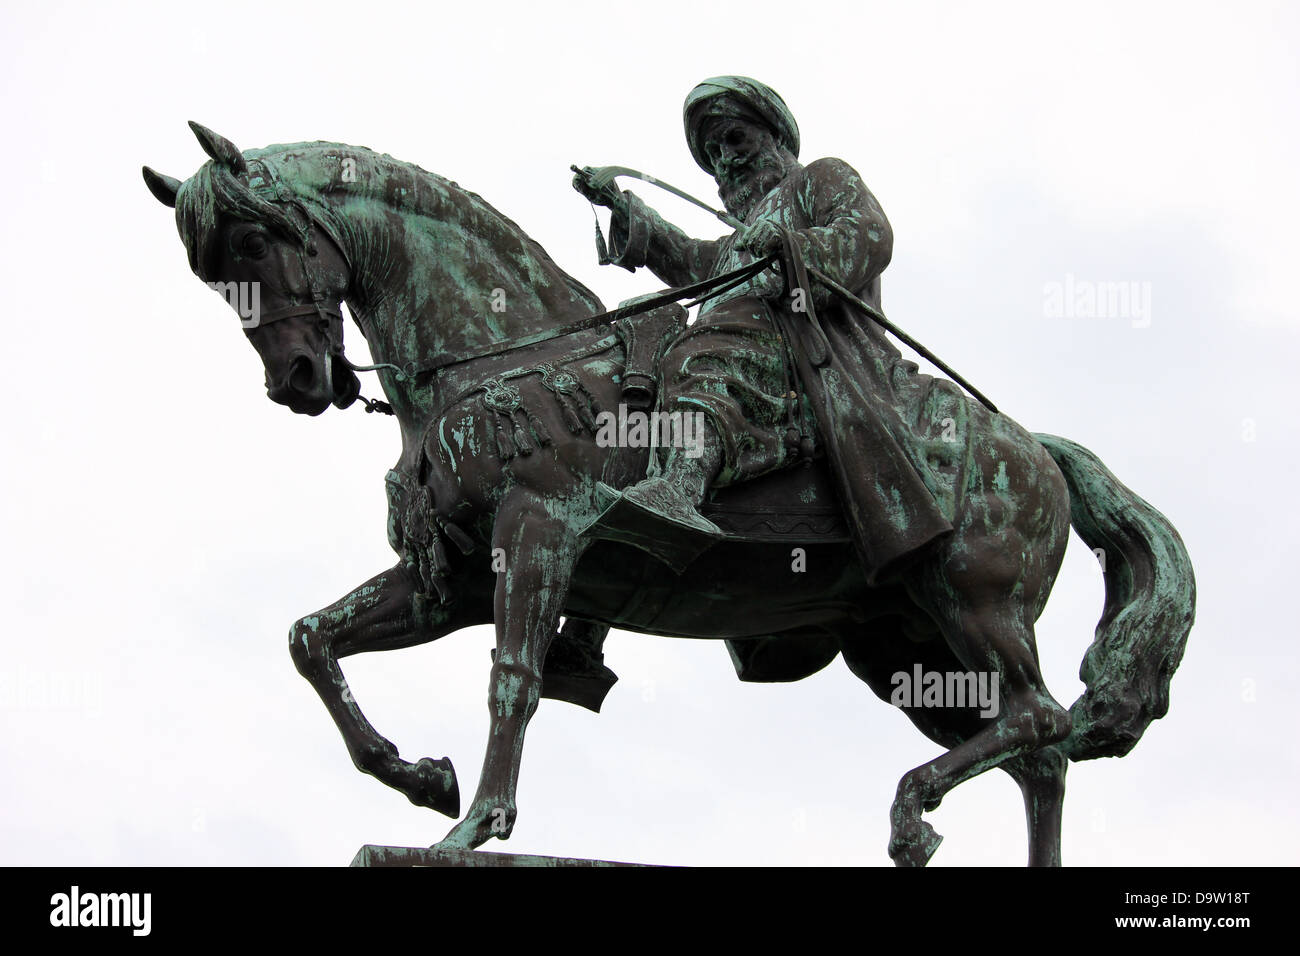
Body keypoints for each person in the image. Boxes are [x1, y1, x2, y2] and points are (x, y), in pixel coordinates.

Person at [575, 76, 957, 584]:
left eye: (736, 139)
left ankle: (682, 486)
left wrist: (790, 245)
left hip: (813, 349)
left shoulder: (820, 179)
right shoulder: (736, 240)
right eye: (715, 152)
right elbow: (690, 257)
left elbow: (868, 233)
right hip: (746, 337)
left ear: (775, 137)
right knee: (646, 328)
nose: (726, 158)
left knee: (706, 347)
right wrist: (625, 209)